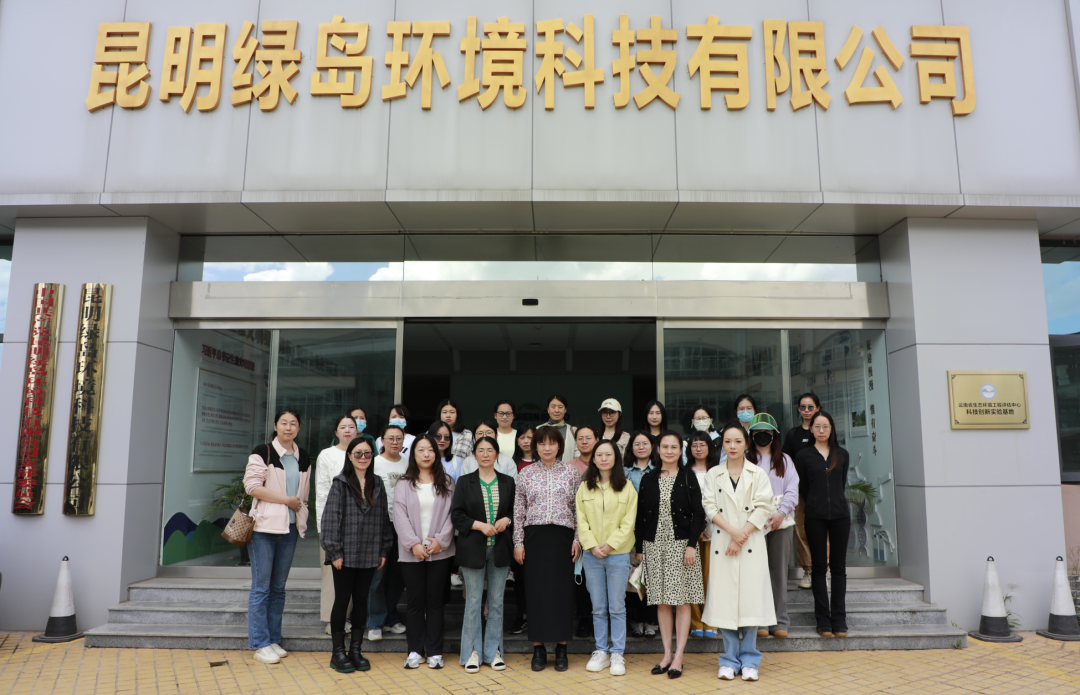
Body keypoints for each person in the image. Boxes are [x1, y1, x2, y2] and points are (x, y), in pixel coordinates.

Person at [702, 422, 776, 683]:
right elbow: (709, 506)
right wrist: (733, 533)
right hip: (724, 543)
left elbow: (764, 506)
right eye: (727, 441)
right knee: (725, 603)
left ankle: (750, 660)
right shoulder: (713, 474)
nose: (732, 446)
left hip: (750, 543)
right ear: (722, 444)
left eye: (737, 441)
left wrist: (741, 534)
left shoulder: (758, 473)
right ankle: (728, 660)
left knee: (750, 603)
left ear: (746, 444)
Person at [635, 431, 705, 680]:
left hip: (681, 545)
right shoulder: (648, 478)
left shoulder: (688, 476)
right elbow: (641, 515)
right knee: (662, 601)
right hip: (654, 546)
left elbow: (699, 514)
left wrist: (691, 545)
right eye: (664, 446)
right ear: (658, 449)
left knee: (682, 601)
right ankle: (666, 654)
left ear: (680, 450)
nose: (669, 451)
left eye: (674, 447)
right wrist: (640, 549)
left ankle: (679, 656)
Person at [244, 409, 312, 665]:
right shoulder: (263, 452)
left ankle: (273, 639)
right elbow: (252, 487)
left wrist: (300, 511)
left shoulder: (303, 456)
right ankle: (260, 643)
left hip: (290, 528)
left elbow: (303, 495)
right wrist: (286, 500)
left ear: (299, 428)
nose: (288, 427)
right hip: (263, 529)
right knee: (261, 587)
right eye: (284, 422)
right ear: (275, 426)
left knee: (278, 588)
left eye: (293, 423)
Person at [321, 437, 392, 673]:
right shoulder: (340, 483)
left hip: (370, 551)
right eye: (358, 453)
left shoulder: (377, 483)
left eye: (367, 453)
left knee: (362, 600)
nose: (363, 457)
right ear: (349, 456)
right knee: (343, 600)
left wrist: (384, 549)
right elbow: (330, 519)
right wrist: (334, 551)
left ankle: (356, 650)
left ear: (372, 457)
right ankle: (338, 653)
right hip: (345, 552)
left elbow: (384, 519)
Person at [513, 426, 581, 672]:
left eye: (552, 443)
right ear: (536, 446)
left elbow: (579, 510)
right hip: (534, 538)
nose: (547, 447)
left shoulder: (571, 473)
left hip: (563, 538)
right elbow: (518, 510)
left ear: (559, 446)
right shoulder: (526, 473)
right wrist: (518, 543)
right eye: (542, 443)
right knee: (536, 593)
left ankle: (562, 648)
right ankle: (538, 648)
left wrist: (578, 539)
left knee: (562, 593)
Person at [452, 436, 516, 673]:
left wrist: (507, 519)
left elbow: (516, 511)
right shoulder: (464, 481)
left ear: (497, 454)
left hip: (500, 548)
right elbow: (456, 515)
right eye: (481, 450)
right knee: (473, 602)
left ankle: (494, 652)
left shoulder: (508, 481)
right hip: (473, 549)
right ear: (474, 455)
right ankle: (472, 653)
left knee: (497, 602)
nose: (486, 454)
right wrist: (479, 525)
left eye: (490, 450)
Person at [394, 434, 456, 670]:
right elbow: (399, 516)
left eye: (430, 449)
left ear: (436, 453)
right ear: (414, 454)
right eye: (421, 450)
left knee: (435, 601)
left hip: (440, 552)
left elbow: (453, 514)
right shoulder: (404, 483)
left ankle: (436, 652)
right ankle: (415, 651)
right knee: (415, 602)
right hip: (411, 553)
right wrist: (414, 544)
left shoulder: (447, 482)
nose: (426, 454)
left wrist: (441, 541)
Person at [576, 440, 638, 676]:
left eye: (608, 454)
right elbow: (581, 519)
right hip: (592, 555)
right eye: (599, 454)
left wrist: (610, 545)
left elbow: (628, 522)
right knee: (598, 607)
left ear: (616, 458)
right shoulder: (585, 487)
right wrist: (592, 545)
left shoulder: (627, 487)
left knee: (617, 607)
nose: (603, 458)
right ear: (593, 459)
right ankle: (601, 651)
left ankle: (617, 653)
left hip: (618, 555)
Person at [795, 411, 850, 638]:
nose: (821, 430)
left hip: (840, 515)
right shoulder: (803, 456)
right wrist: (815, 503)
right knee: (818, 568)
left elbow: (841, 483)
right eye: (817, 426)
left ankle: (839, 619)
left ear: (831, 429)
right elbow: (803, 487)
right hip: (815, 516)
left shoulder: (842, 454)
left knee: (838, 568)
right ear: (811, 429)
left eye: (825, 426)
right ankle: (823, 620)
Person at [747, 413, 799, 640]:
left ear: (774, 436)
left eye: (767, 433)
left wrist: (781, 513)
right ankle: (759, 620)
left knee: (778, 572)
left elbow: (792, 489)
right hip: (752, 524)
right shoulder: (745, 460)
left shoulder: (785, 460)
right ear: (751, 436)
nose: (762, 436)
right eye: (757, 433)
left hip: (781, 523)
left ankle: (780, 620)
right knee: (756, 572)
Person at [366, 425, 409, 642]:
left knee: (398, 575)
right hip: (380, 524)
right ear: (382, 440)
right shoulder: (374, 463)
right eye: (390, 438)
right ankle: (374, 622)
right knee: (378, 575)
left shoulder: (408, 463)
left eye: (398, 438)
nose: (394, 442)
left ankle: (391, 617)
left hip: (403, 525)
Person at [316, 415, 358, 635]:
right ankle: (332, 620)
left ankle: (347, 617)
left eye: (351, 426)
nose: (347, 430)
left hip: (357, 526)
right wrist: (324, 527)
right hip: (333, 524)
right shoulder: (327, 455)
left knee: (353, 575)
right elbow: (322, 492)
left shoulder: (362, 453)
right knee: (332, 575)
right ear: (336, 432)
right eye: (343, 427)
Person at [783, 392, 821, 590]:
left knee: (822, 530)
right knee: (800, 530)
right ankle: (808, 570)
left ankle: (822, 570)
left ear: (818, 408)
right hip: (798, 491)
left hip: (820, 490)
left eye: (810, 407)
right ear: (798, 409)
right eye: (803, 407)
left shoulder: (822, 431)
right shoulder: (793, 434)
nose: (806, 411)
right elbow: (785, 463)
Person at [624, 431, 659, 639]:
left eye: (645, 443)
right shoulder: (624, 471)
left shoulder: (660, 470)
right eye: (637, 444)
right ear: (631, 447)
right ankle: (636, 621)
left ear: (652, 446)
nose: (641, 447)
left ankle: (651, 621)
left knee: (653, 577)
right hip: (631, 530)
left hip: (655, 529)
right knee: (633, 577)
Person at [565, 425, 598, 637]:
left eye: (588, 438)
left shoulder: (605, 462)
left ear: (597, 440)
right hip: (576, 530)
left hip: (602, 530)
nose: (584, 442)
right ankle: (584, 619)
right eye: (580, 438)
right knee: (581, 577)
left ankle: (600, 618)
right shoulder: (568, 467)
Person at [687, 431, 720, 639]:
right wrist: (696, 527)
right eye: (694, 445)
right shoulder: (684, 472)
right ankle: (695, 621)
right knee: (692, 578)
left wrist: (708, 525)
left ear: (710, 447)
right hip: (691, 533)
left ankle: (712, 620)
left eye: (702, 444)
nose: (698, 448)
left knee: (711, 578)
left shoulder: (718, 471)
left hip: (715, 531)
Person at [509, 425, 537, 634]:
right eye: (522, 437)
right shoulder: (511, 464)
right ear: (517, 440)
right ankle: (522, 615)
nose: (526, 441)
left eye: (530, 437)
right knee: (520, 575)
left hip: (537, 527)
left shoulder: (544, 463)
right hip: (515, 525)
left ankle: (537, 616)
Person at [537, 394, 578, 460]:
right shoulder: (538, 429)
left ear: (565, 410)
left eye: (560, 407)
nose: (556, 410)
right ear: (548, 409)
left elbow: (577, 455)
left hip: (567, 466)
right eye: (553, 407)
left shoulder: (573, 430)